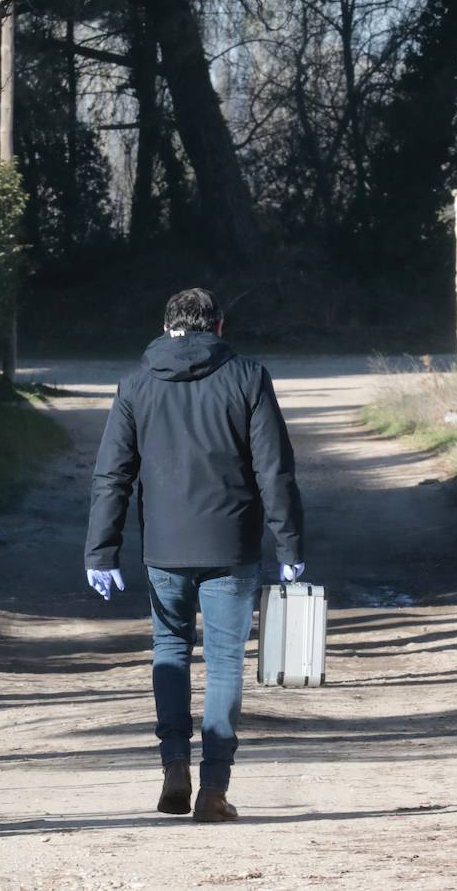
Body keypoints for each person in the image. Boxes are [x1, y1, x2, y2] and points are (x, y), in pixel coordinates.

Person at [83, 287, 304, 823]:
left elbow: (113, 475)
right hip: (231, 546)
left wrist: (101, 551)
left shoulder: (136, 384)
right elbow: (273, 470)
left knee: (170, 651)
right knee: (225, 661)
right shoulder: (248, 376)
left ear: (166, 327)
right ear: (219, 327)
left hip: (163, 548)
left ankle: (175, 763)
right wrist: (289, 544)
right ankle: (214, 789)